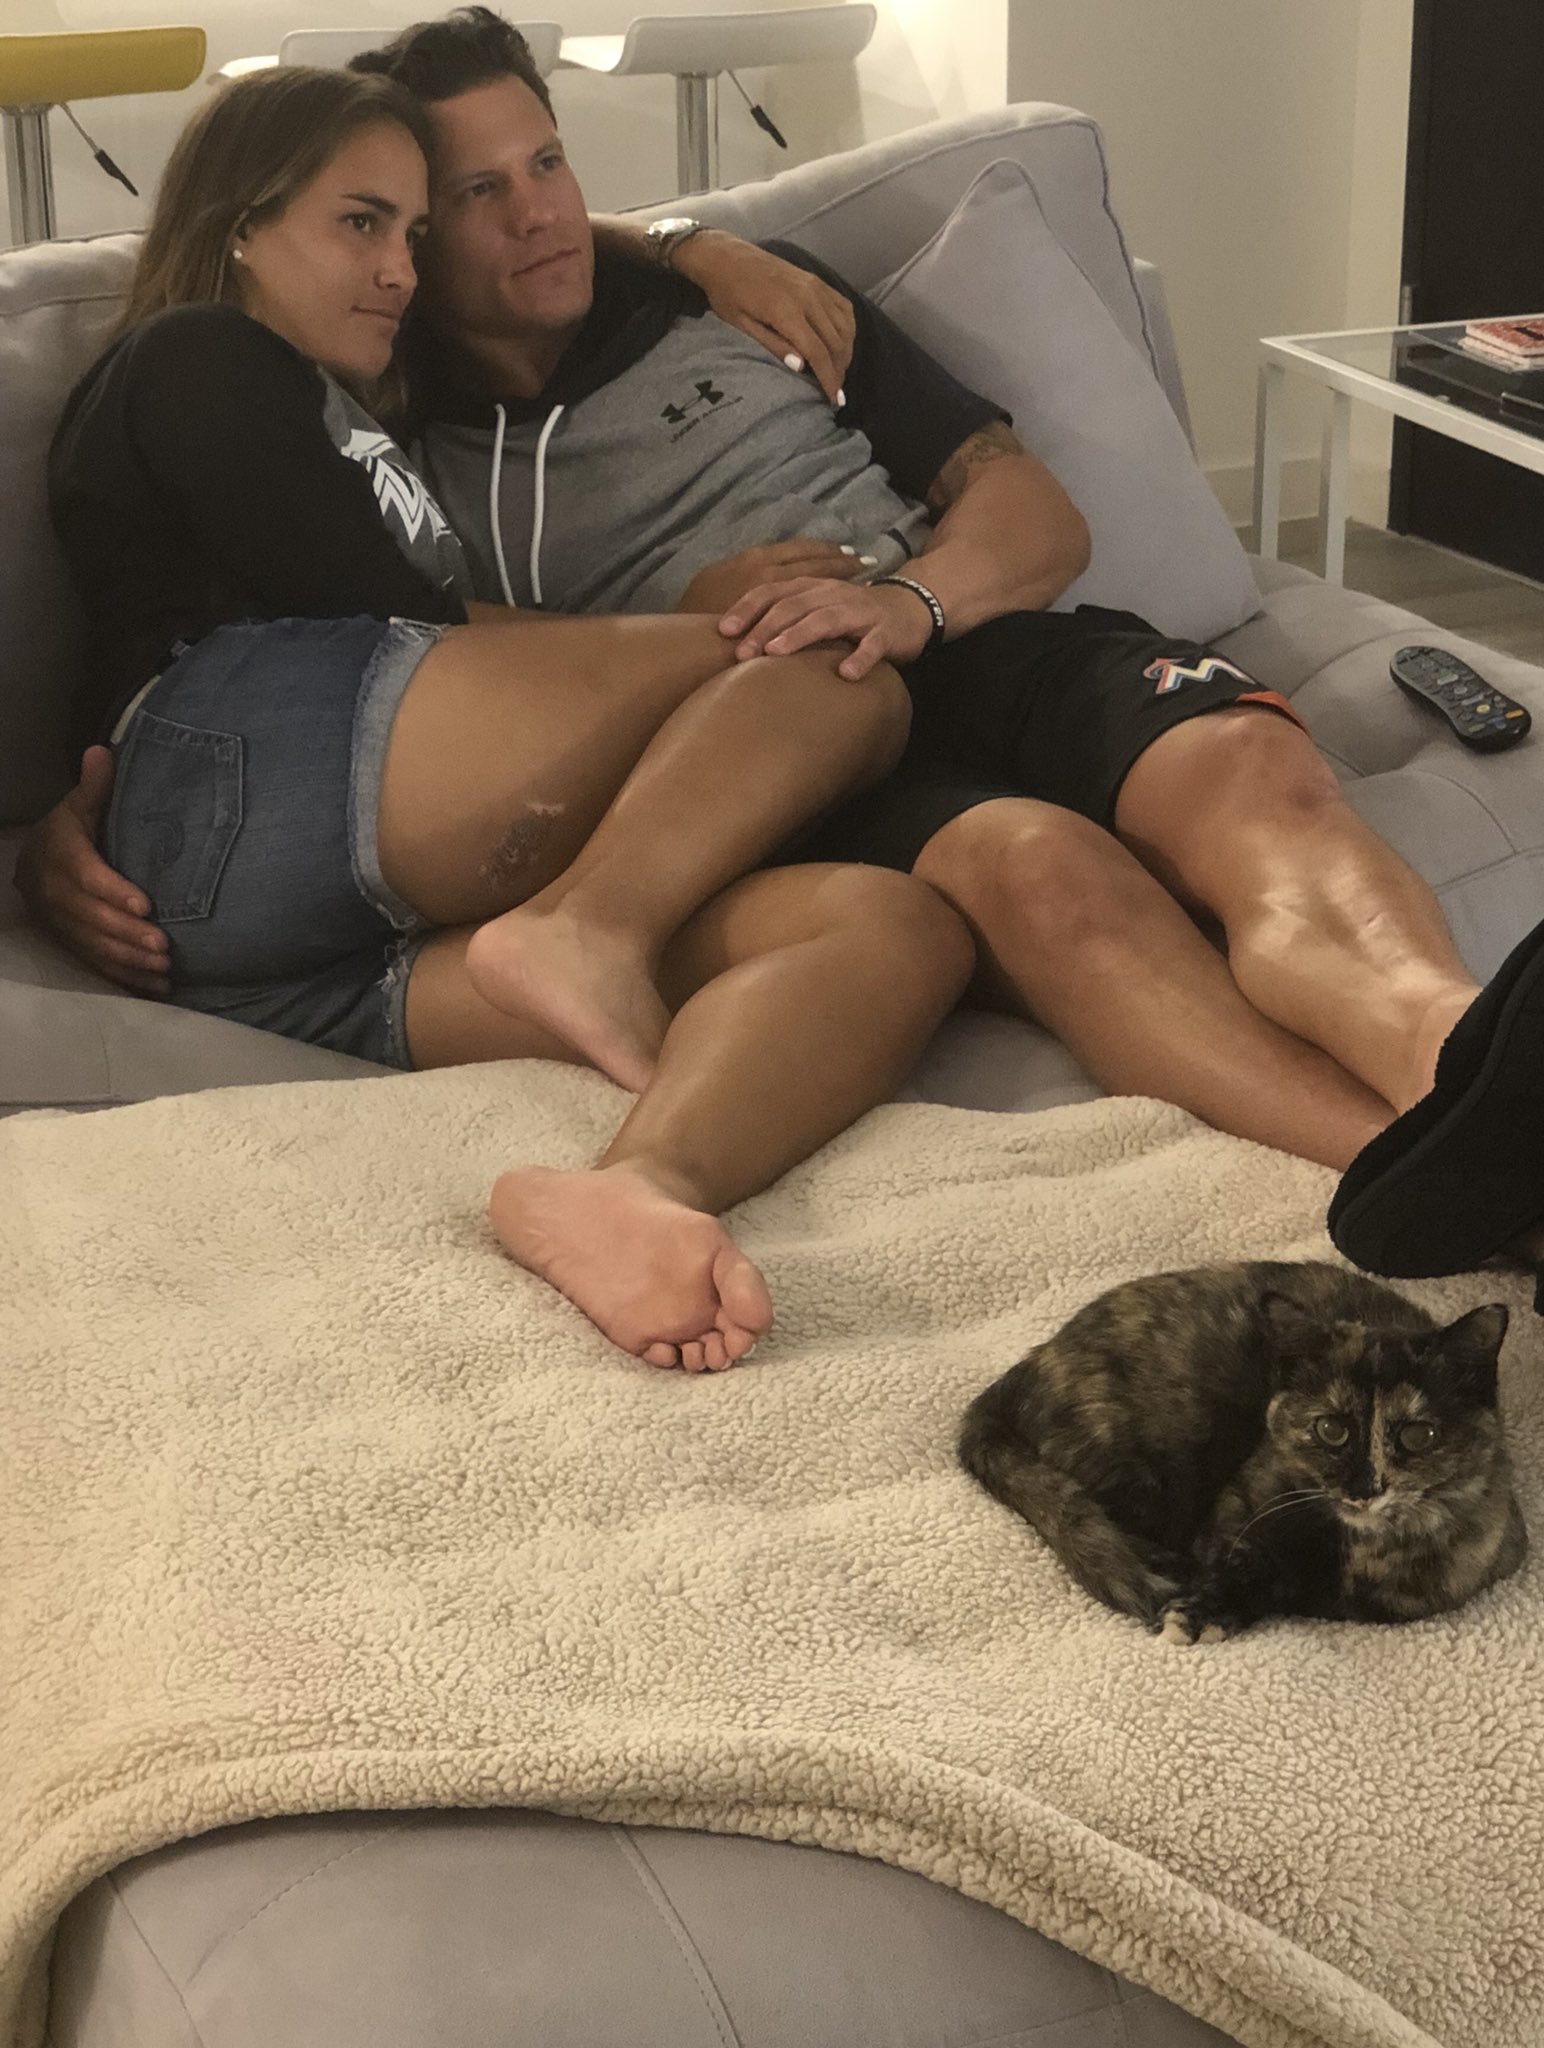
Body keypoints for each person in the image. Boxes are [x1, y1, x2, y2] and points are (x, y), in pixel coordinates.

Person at [30, 11, 1544, 1281]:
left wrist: (901, 583)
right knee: (1032, 870)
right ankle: (1424, 1180)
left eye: (550, 165)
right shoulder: (373, 382)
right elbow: (301, 627)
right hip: (773, 727)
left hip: (966, 630)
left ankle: (1463, 1061)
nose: (535, 214)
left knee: (1251, 786)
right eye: (466, 199)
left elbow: (1034, 518)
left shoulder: (759, 306)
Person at [34, 60, 976, 1375]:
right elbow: (375, 619)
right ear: (239, 224)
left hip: (296, 941)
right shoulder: (202, 352)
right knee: (835, 660)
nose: (399, 270)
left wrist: (688, 243)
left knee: (892, 932)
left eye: (415, 234)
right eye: (359, 223)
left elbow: (531, 235)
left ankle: (640, 1187)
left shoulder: (362, 404)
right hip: (243, 763)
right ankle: (589, 927)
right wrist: (683, 631)